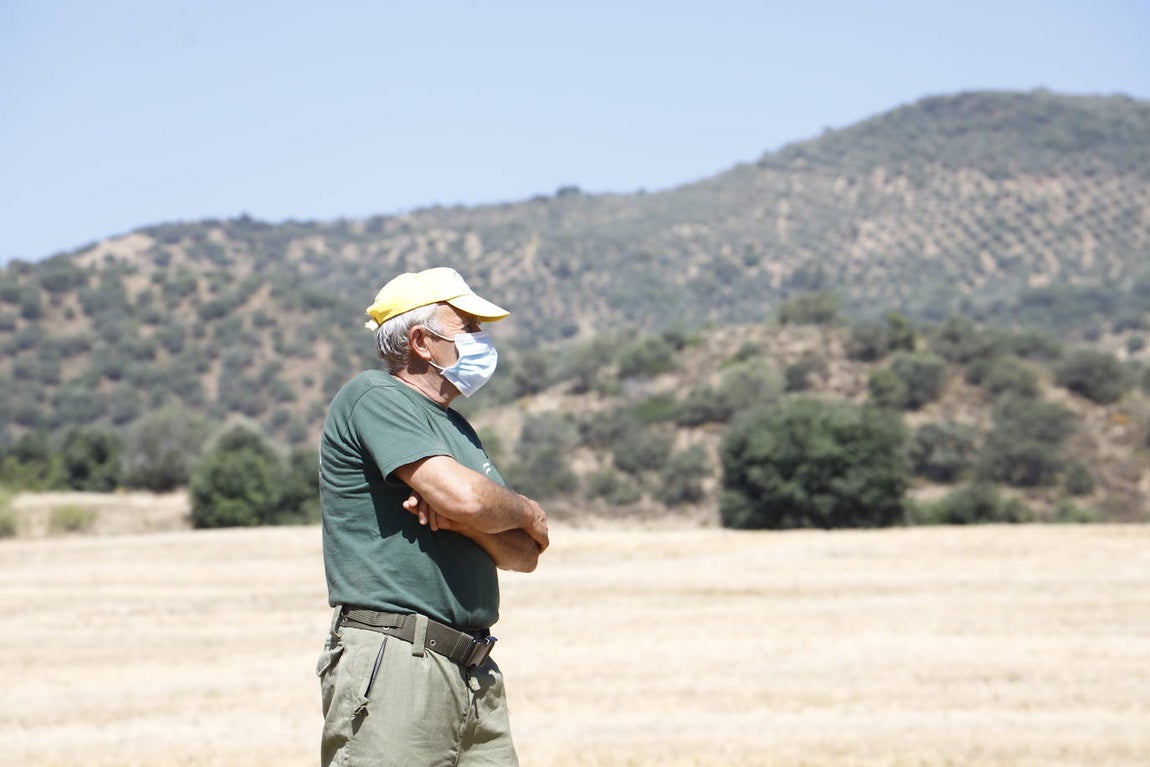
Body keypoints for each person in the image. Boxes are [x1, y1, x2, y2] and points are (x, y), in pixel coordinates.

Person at [316, 266, 549, 767]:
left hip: (474, 673)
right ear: (422, 341)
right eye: (469, 327)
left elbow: (524, 553)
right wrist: (524, 509)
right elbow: (467, 498)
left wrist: (468, 521)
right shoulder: (375, 397)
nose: (482, 340)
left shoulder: (457, 429)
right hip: (399, 659)